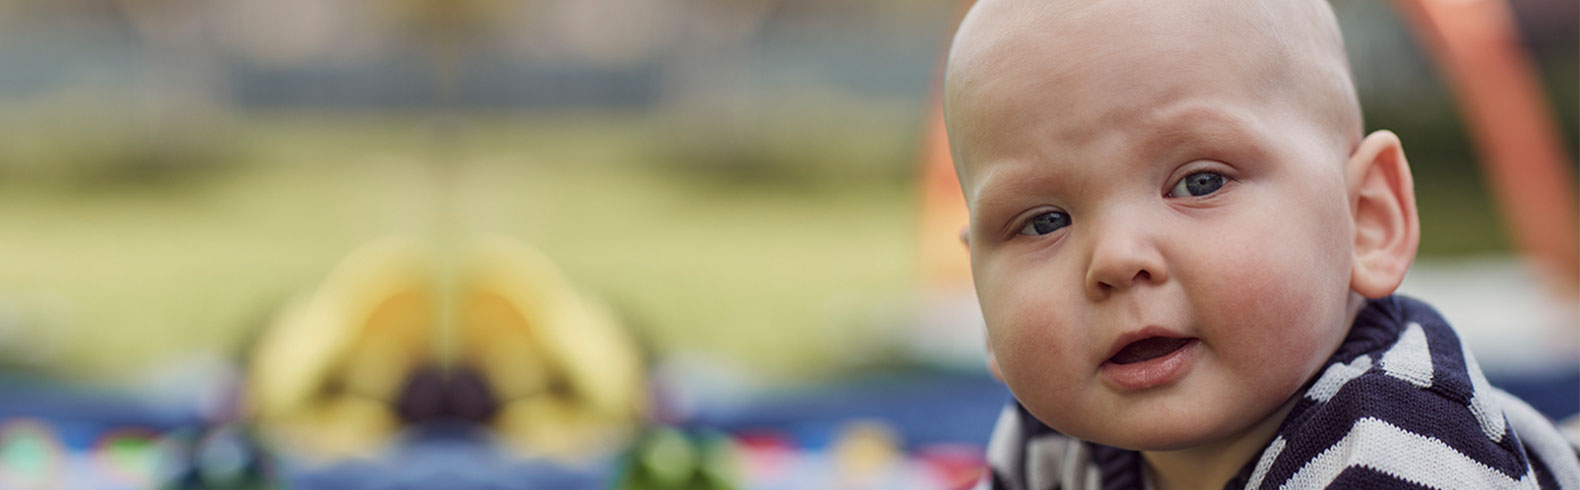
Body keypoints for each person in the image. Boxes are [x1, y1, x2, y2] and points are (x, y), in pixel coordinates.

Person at [940, 1, 1580, 488]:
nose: (1115, 258)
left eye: (1199, 182)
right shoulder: (1051, 435)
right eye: (1044, 222)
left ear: (1366, 219)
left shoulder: (1397, 448)